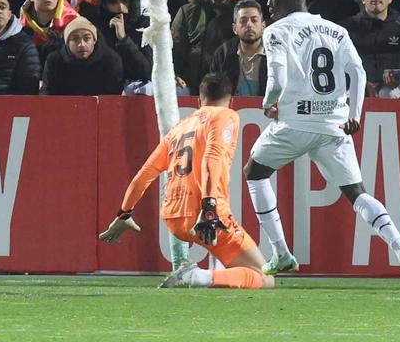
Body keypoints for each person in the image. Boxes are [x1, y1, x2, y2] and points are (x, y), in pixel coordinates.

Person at [246, 0, 400, 291]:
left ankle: (281, 253)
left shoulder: (277, 30)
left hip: (295, 122)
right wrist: (355, 114)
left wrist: (268, 103)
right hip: (334, 123)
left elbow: (276, 75)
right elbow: (357, 72)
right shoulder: (336, 30)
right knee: (358, 194)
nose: (269, 1)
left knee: (255, 172)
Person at [99, 73, 274, 290]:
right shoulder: (226, 116)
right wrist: (209, 206)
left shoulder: (179, 128)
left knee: (233, 267)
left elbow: (144, 174)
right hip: (205, 214)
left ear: (198, 101)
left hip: (174, 217)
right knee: (264, 277)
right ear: (232, 100)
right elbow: (213, 157)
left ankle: (201, 276)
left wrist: (124, 213)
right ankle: (194, 277)